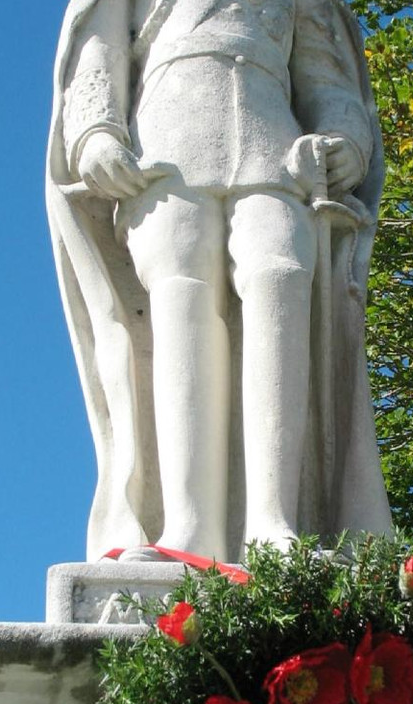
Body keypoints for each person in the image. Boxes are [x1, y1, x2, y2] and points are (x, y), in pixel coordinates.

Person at [45, 0, 393, 563]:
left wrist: (344, 143)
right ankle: (189, 526)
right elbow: (96, 55)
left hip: (274, 147)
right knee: (182, 294)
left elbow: (327, 78)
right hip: (166, 145)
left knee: (280, 277)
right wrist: (95, 134)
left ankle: (275, 524)